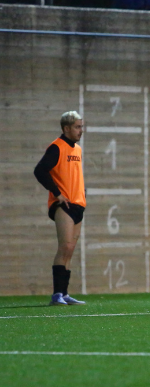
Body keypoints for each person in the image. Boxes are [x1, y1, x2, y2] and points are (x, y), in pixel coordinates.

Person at [34, 111, 87, 306]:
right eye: (77, 127)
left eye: (81, 126)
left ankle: (64, 293)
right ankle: (56, 294)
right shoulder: (57, 147)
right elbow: (40, 171)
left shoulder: (78, 150)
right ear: (66, 128)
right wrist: (57, 193)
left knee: (70, 249)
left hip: (78, 204)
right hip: (63, 204)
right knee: (64, 247)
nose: (81, 130)